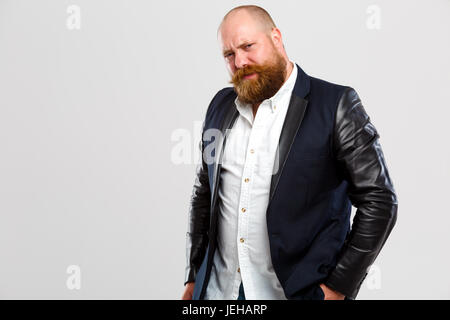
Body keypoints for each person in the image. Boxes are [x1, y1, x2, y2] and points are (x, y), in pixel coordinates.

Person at [181, 5, 397, 300]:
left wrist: (338, 287)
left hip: (293, 294)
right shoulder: (220, 106)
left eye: (247, 46)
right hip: (218, 293)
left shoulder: (335, 105)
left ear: (276, 38)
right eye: (229, 55)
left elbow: (379, 200)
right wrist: (194, 277)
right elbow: (204, 193)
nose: (240, 61)